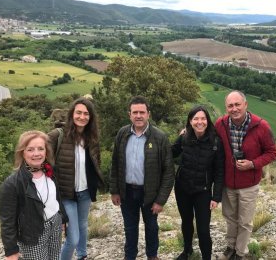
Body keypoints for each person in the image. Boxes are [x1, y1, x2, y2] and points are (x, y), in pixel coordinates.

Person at [109, 96, 174, 260]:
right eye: (135, 112)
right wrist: (114, 190)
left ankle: (152, 256)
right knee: (130, 228)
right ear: (129, 114)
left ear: (148, 114)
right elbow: (115, 164)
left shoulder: (160, 138)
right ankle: (129, 256)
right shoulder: (122, 134)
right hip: (127, 191)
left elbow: (168, 172)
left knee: (151, 227)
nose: (138, 116)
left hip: (150, 193)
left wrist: (161, 200)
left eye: (142, 112)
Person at [215, 90, 276, 260]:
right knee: (229, 217)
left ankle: (240, 252)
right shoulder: (220, 124)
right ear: (226, 107)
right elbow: (207, 137)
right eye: (230, 106)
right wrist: (188, 131)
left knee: (244, 221)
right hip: (228, 183)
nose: (234, 109)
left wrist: (252, 164)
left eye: (237, 104)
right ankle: (230, 246)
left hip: (249, 185)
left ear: (245, 105)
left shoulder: (261, 126)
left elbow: (272, 152)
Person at [48, 97, 104, 260]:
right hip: (65, 194)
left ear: (90, 117)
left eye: (86, 114)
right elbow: (43, 161)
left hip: (85, 192)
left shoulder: (91, 138)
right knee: (72, 238)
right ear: (72, 114)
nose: (82, 117)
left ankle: (82, 255)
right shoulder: (57, 136)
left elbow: (96, 161)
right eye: (78, 112)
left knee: (83, 226)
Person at [0, 130, 67, 260]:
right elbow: (8, 221)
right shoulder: (13, 183)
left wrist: (62, 218)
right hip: (32, 233)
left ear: (46, 151)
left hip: (55, 224)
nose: (36, 153)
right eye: (30, 149)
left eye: (40, 149)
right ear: (22, 153)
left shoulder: (51, 171)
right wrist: (11, 251)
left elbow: (56, 197)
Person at [172, 106, 225, 260]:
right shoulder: (184, 137)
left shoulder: (216, 142)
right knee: (186, 222)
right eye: (196, 119)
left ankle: (206, 257)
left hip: (203, 191)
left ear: (208, 121)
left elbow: (219, 171)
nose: (199, 122)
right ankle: (187, 250)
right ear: (190, 121)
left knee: (203, 230)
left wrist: (216, 197)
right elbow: (170, 152)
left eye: (203, 118)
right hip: (182, 188)